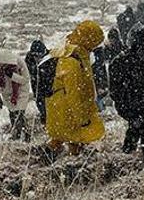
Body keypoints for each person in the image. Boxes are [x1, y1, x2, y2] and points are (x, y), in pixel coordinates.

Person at [44, 20, 106, 158]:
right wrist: (81, 117)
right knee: (75, 137)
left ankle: (48, 156)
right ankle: (72, 166)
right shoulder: (71, 59)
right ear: (88, 39)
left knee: (62, 136)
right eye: (94, 42)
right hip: (67, 108)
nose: (95, 46)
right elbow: (74, 91)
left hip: (61, 106)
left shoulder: (73, 51)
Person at [109, 26, 144, 165]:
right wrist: (131, 111)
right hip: (129, 104)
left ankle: (126, 155)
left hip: (141, 103)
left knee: (137, 127)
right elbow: (115, 92)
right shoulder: (121, 62)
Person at [0, 50, 32, 142]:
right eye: (0, 65)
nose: (2, 67)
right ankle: (20, 132)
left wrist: (12, 75)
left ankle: (22, 134)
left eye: (4, 65)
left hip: (20, 91)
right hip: (6, 91)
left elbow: (25, 80)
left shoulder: (20, 62)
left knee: (19, 113)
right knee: (12, 113)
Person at [25, 40, 49, 124]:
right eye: (34, 55)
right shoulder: (29, 58)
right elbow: (28, 70)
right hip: (36, 84)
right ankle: (44, 117)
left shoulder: (49, 58)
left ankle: (48, 118)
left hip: (47, 84)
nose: (36, 58)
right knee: (39, 102)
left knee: (48, 103)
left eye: (39, 55)